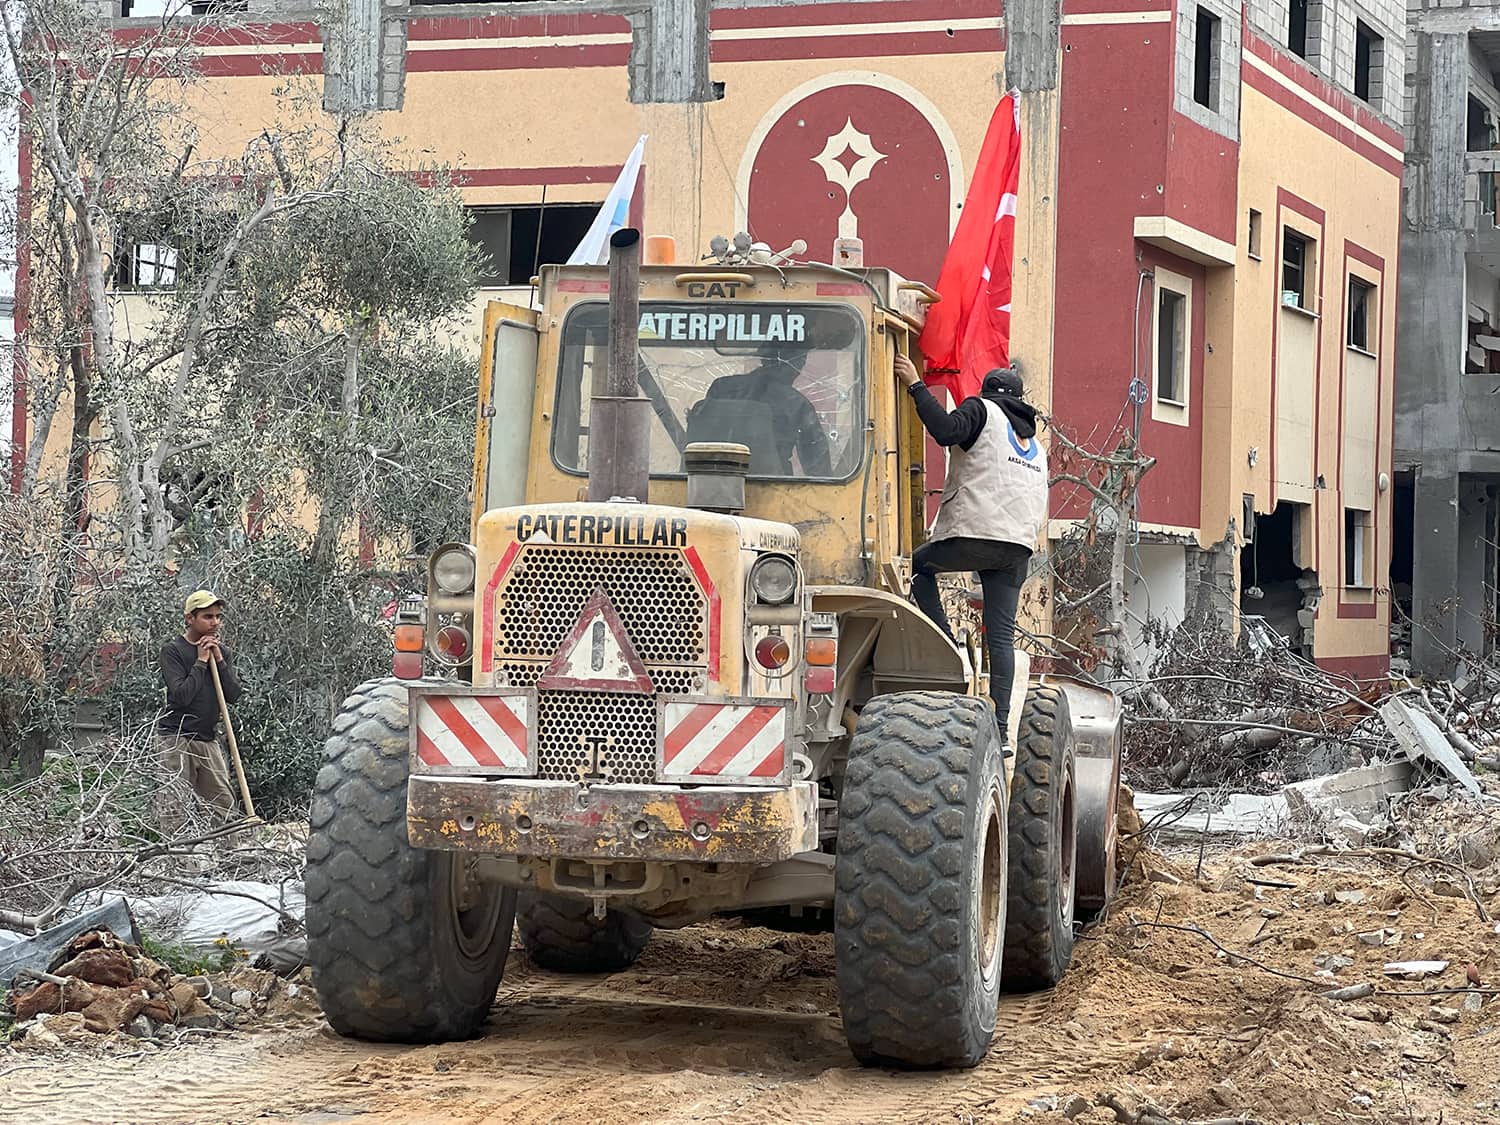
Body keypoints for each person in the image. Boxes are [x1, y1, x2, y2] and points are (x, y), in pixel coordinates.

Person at [895, 353, 1048, 741]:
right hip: (1017, 548)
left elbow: (946, 431)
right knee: (1001, 638)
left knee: (917, 566)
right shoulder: (1034, 444)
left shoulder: (981, 411)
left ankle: (947, 648)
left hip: (975, 534)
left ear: (987, 393)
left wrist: (915, 385)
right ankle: (1001, 729)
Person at [156, 590, 241, 826]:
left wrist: (219, 661)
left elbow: (233, 695)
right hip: (175, 738)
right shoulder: (173, 650)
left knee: (224, 805)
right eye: (207, 617)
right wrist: (201, 661)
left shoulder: (222, 652)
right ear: (190, 618)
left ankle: (227, 849)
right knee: (174, 806)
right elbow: (181, 696)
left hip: (206, 738)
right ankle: (175, 849)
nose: (215, 622)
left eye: (218, 616)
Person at [698, 349, 832, 476]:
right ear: (795, 363)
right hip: (777, 486)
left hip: (713, 482)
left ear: (763, 358)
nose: (798, 370)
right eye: (800, 362)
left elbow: (699, 443)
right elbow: (820, 471)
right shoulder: (795, 402)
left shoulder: (721, 387)